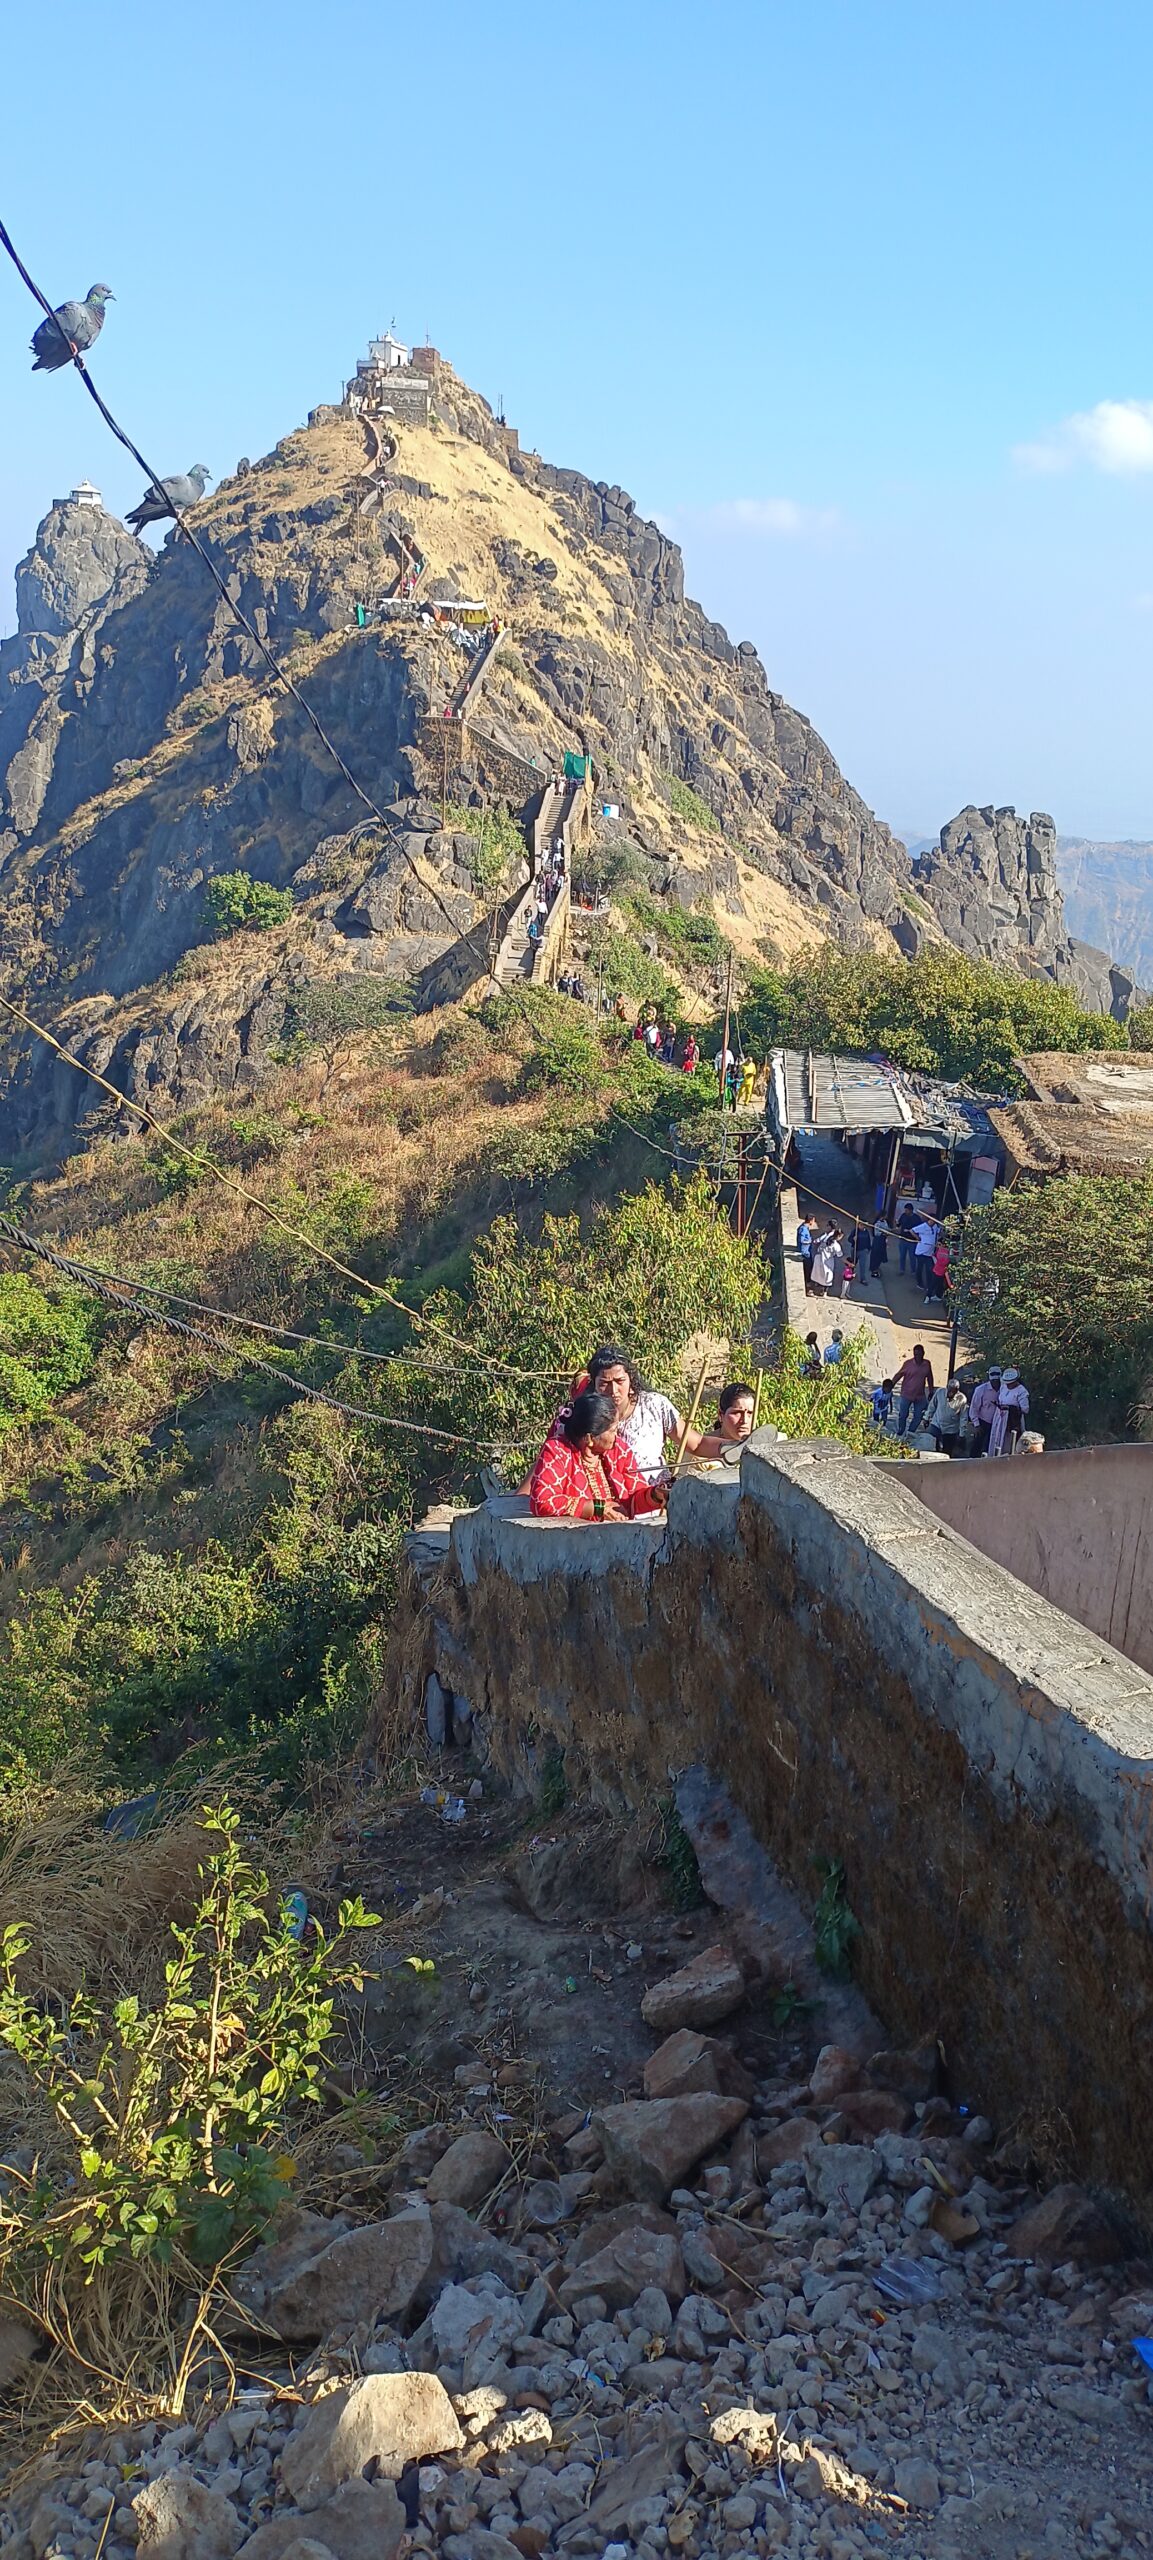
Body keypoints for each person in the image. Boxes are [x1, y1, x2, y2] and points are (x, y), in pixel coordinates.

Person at [529, 1390, 661, 1520]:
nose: (617, 1436)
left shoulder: (619, 1451)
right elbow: (542, 1501)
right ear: (590, 1438)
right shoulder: (557, 1451)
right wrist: (597, 1508)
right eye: (612, 1430)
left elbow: (633, 1500)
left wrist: (656, 1495)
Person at [582, 1345, 704, 1485]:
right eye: (604, 1383)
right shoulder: (584, 1415)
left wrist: (728, 1447)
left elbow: (697, 1443)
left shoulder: (654, 1405)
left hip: (656, 1499)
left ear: (630, 1378)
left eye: (620, 1381)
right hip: (606, 1503)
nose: (614, 1390)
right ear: (594, 1383)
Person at [695, 1380, 757, 1458]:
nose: (744, 1420)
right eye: (737, 1413)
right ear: (721, 1415)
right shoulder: (702, 1450)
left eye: (750, 1413)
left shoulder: (764, 1444)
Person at [893, 1343, 934, 1438]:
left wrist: (931, 1390)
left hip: (920, 1395)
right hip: (906, 1394)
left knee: (919, 1416)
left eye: (919, 1354)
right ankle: (901, 1430)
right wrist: (891, 1385)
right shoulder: (908, 1364)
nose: (917, 1357)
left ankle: (910, 1431)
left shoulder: (927, 1364)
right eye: (915, 1354)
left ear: (923, 1353)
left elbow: (930, 1377)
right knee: (903, 1415)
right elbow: (899, 1375)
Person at [988, 1368, 1030, 1458]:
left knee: (1008, 1441)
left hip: (1012, 1420)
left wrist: (1010, 1408)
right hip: (1000, 1417)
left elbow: (1025, 1409)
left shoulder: (1021, 1391)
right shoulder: (1003, 1387)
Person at [923, 1375, 968, 1454]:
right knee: (931, 1446)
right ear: (947, 1387)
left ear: (957, 1391)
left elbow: (963, 1417)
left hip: (950, 1429)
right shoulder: (940, 1392)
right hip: (937, 1424)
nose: (950, 1393)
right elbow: (932, 1406)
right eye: (949, 1390)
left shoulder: (962, 1399)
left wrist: (962, 1434)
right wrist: (926, 1418)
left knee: (947, 1451)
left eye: (953, 1391)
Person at [968, 1367, 1002, 1456]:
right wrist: (976, 1424)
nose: (995, 1383)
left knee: (992, 1445)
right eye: (993, 1381)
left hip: (997, 1423)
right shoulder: (980, 1390)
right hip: (983, 1422)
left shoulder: (1004, 1389)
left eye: (997, 1381)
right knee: (977, 1445)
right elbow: (974, 1408)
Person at [912, 1213, 938, 1297]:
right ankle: (919, 1283)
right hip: (921, 1252)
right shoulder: (923, 1226)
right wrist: (917, 1238)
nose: (933, 1222)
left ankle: (929, 1286)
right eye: (932, 1220)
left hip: (929, 1253)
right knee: (919, 1269)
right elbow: (912, 1230)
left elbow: (939, 1233)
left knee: (929, 1270)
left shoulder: (935, 1226)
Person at [809, 1231, 837, 1295]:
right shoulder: (835, 1245)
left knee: (818, 1274)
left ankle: (819, 1289)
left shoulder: (825, 1237)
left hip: (820, 1259)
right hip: (827, 1262)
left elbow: (816, 1241)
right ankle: (824, 1291)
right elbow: (839, 1254)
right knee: (826, 1276)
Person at [896, 1203, 919, 1278]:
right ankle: (902, 1270)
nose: (905, 1211)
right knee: (902, 1256)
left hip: (912, 1241)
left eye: (907, 1210)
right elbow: (899, 1224)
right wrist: (897, 1223)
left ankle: (913, 1271)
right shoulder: (903, 1215)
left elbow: (919, 1229)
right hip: (903, 1239)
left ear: (911, 1210)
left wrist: (910, 1231)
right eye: (905, 1210)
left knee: (912, 1257)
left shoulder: (916, 1218)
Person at [928, 1234, 951, 1303]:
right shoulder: (942, 1250)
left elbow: (943, 1262)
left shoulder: (944, 1252)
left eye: (939, 1244)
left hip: (940, 1270)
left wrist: (935, 1259)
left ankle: (929, 1296)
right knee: (940, 1284)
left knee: (934, 1284)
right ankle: (938, 1295)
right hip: (939, 1270)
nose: (938, 1245)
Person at [869, 1215, 890, 1280]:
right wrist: (883, 1233)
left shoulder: (885, 1222)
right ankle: (873, 1268)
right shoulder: (877, 1224)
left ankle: (877, 1266)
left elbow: (887, 1229)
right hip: (878, 1240)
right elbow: (876, 1233)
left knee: (881, 1254)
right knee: (875, 1254)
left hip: (883, 1240)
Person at [797, 1215, 814, 1293]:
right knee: (807, 1269)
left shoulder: (804, 1227)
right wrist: (809, 1241)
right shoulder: (803, 1229)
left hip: (807, 1251)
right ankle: (808, 1286)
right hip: (805, 1252)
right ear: (810, 1221)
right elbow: (802, 1240)